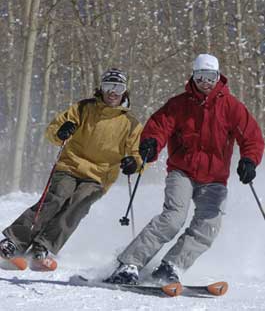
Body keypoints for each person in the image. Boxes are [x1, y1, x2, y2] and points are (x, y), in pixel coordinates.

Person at [107, 53, 264, 285]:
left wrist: (249, 160)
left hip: (215, 178)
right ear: (194, 76)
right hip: (182, 172)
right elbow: (159, 126)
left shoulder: (232, 107)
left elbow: (252, 137)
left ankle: (172, 265)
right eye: (201, 77)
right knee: (173, 219)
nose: (205, 83)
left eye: (211, 77)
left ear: (218, 77)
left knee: (209, 224)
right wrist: (151, 143)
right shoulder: (179, 104)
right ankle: (130, 264)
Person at [0, 68, 142, 270]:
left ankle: (42, 247)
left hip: (99, 176)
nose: (113, 92)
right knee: (57, 197)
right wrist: (62, 131)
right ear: (101, 88)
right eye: (108, 86)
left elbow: (137, 154)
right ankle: (14, 241)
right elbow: (53, 130)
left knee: (78, 206)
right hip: (70, 165)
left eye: (118, 87)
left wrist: (133, 163)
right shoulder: (84, 108)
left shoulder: (131, 123)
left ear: (125, 91)